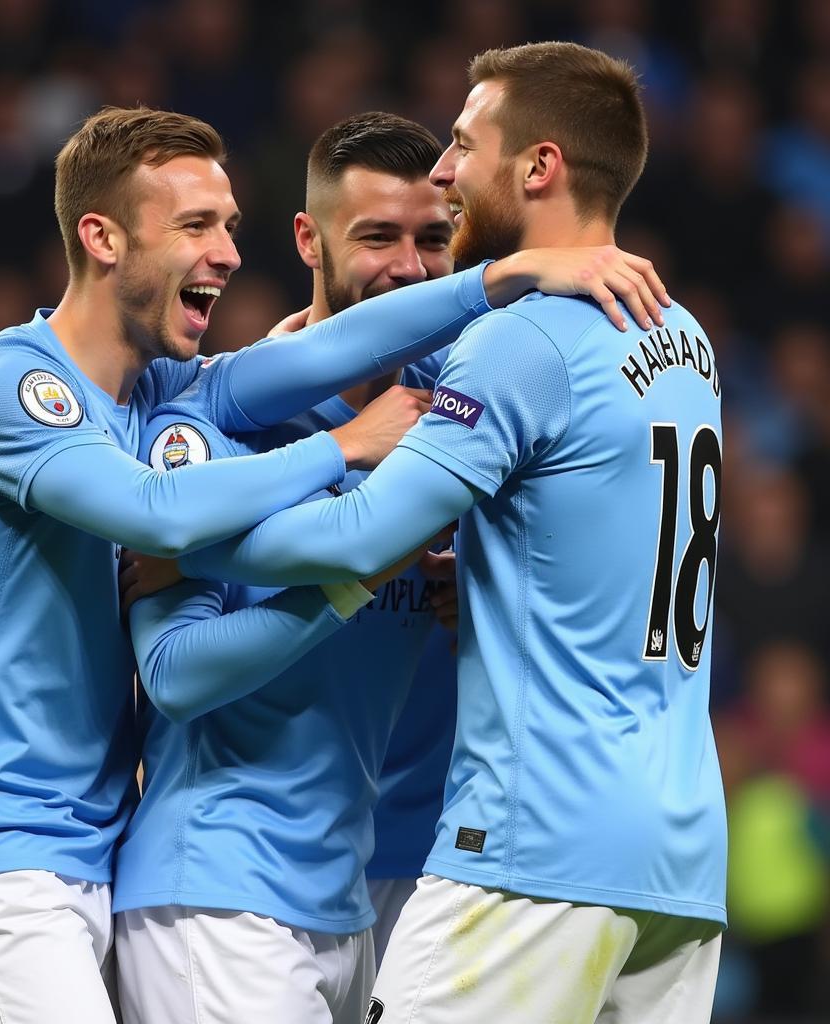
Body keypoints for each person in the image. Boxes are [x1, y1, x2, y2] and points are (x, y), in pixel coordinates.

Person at [0, 105, 622, 1024]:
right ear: (101, 237)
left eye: (228, 226)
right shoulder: (11, 385)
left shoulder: (158, 388)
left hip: (77, 850)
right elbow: (154, 515)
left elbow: (322, 350)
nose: (226, 252)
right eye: (194, 226)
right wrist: (347, 454)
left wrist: (499, 279)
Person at [169, 43, 726, 1024]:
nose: (444, 170)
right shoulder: (682, 338)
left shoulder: (515, 340)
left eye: (464, 144)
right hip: (679, 860)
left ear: (538, 167)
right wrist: (472, 566)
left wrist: (191, 539)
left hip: (536, 840)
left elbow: (354, 540)